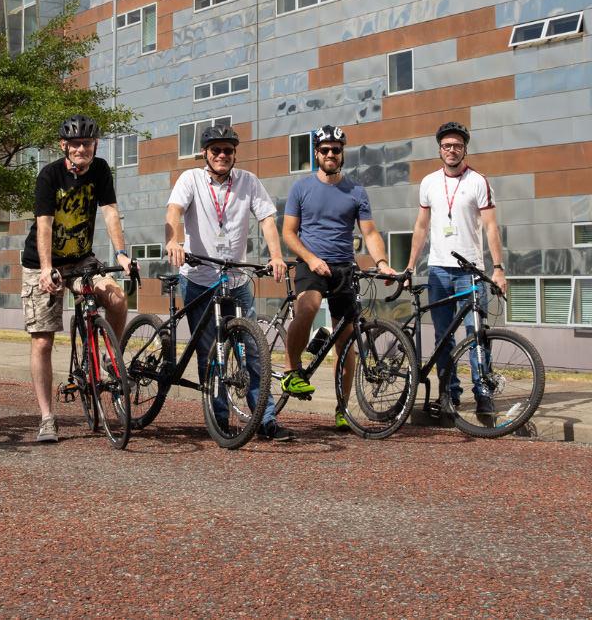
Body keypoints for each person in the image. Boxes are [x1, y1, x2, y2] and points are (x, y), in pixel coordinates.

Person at [165, 125, 292, 441]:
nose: (223, 155)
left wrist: (276, 256)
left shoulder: (248, 181)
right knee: (209, 352)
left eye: (229, 150)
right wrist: (174, 241)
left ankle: (266, 420)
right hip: (199, 280)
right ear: (206, 153)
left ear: (235, 154)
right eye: (216, 150)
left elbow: (266, 220)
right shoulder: (191, 179)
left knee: (253, 349)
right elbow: (174, 211)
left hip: (236, 281)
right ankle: (219, 417)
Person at [23, 115, 133, 443]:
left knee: (117, 298)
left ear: (95, 144)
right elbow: (44, 224)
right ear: (64, 146)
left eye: (87, 143)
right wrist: (45, 269)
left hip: (82, 258)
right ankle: (46, 417)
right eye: (75, 144)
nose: (81, 148)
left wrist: (121, 254)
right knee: (43, 340)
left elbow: (110, 210)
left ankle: (107, 358)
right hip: (43, 262)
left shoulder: (100, 169)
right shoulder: (49, 175)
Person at [280, 125, 397, 430]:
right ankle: (292, 371)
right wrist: (311, 258)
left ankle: (342, 408)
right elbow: (288, 233)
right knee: (307, 307)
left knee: (346, 342)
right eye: (325, 150)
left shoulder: (357, 190)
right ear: (316, 153)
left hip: (345, 268)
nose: (331, 154)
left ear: (342, 153)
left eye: (336, 149)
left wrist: (382, 263)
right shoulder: (301, 188)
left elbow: (369, 232)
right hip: (310, 263)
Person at [404, 122, 506, 414]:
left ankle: (483, 391)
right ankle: (449, 393)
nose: (452, 150)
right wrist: (411, 266)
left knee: (477, 334)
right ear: (440, 149)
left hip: (470, 271)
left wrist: (497, 268)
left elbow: (490, 227)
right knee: (443, 337)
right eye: (447, 145)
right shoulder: (429, 183)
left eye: (457, 145)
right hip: (438, 271)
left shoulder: (479, 181)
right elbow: (421, 227)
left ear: (465, 149)